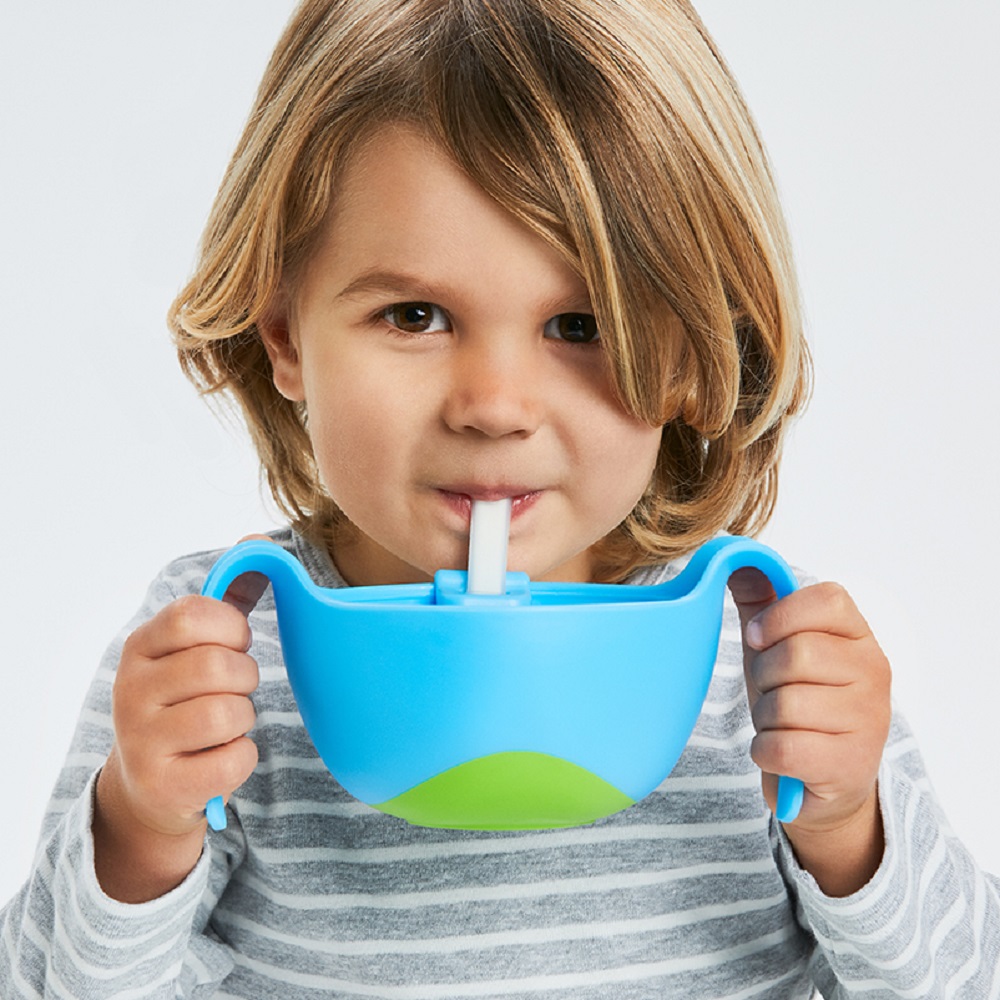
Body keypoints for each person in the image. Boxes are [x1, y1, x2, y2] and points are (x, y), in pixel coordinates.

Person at [2, 0, 997, 996]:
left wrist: (846, 829)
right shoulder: (221, 647)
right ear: (284, 331)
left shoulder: (765, 655)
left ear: (696, 350)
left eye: (577, 325)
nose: (492, 405)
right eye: (416, 314)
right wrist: (139, 829)